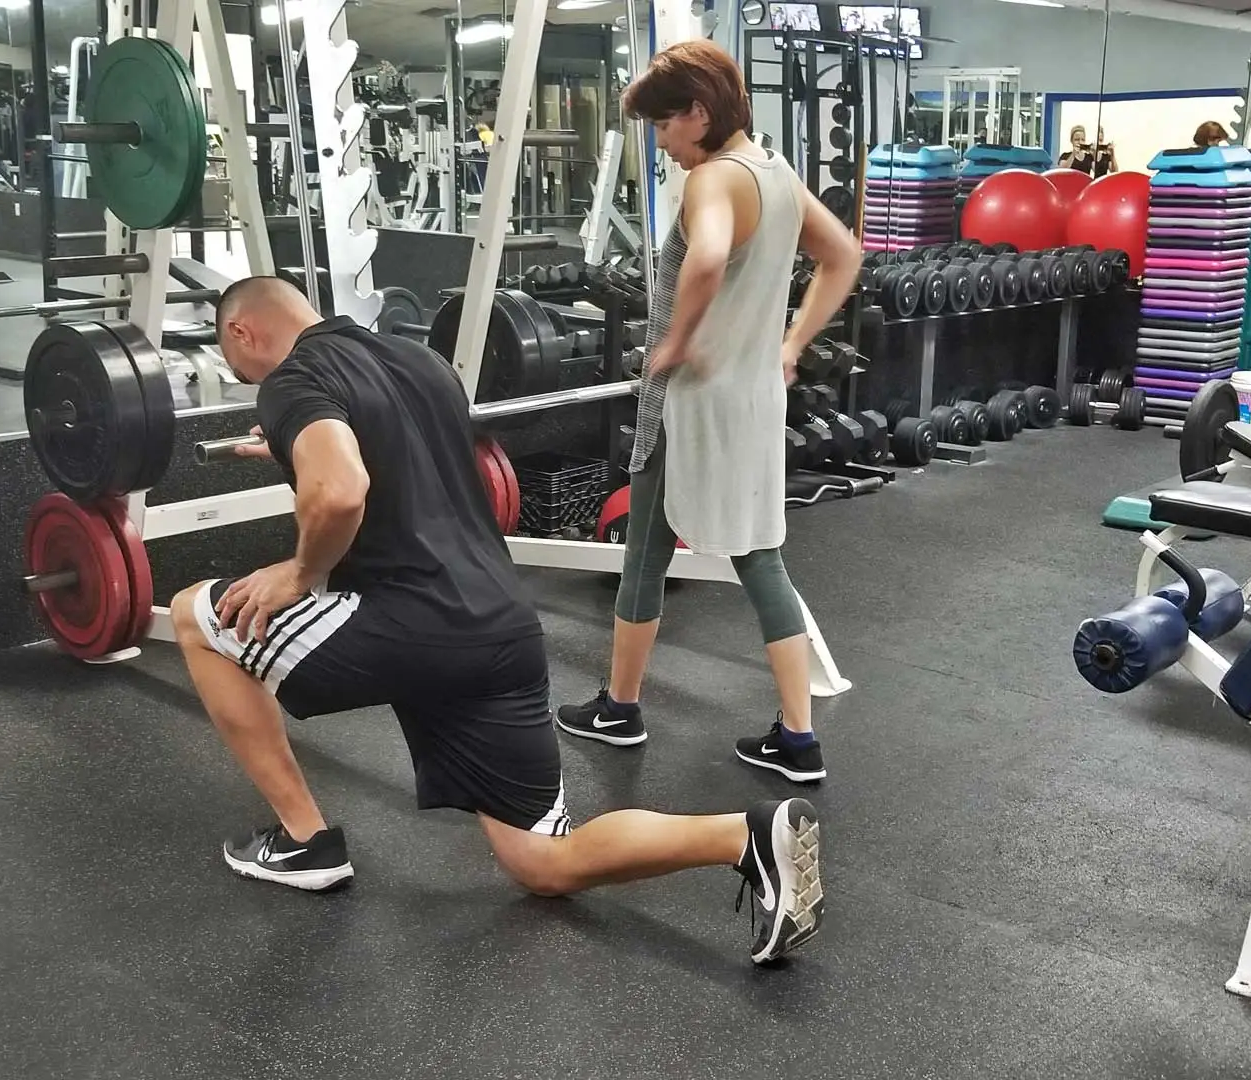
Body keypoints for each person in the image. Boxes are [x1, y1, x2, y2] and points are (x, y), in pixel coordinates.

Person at [169, 275, 827, 965]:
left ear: (242, 332)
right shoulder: (418, 361)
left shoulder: (291, 381)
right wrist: (286, 442)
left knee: (195, 616)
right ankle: (748, 835)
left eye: (235, 364)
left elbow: (340, 490)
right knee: (543, 862)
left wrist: (298, 572)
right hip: (500, 625)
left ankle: (306, 843)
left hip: (413, 625)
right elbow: (394, 450)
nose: (247, 381)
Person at [554, 40, 861, 783]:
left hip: (691, 407)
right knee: (758, 556)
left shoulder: (713, 182)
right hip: (754, 397)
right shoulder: (776, 173)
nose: (662, 144)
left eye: (665, 126)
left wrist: (674, 344)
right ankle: (797, 736)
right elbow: (844, 254)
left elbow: (707, 256)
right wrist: (791, 341)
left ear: (698, 112)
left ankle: (620, 710)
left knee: (645, 558)